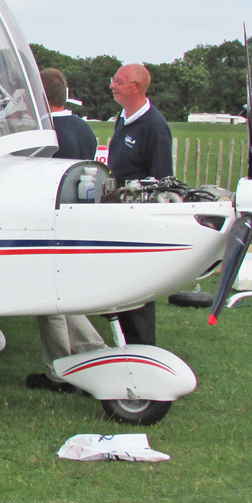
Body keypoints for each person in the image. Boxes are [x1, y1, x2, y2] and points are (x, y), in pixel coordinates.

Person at [27, 68, 107, 393]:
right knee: (61, 299)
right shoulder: (85, 130)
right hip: (79, 220)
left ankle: (69, 366)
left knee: (53, 302)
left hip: (47, 223)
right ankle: (77, 362)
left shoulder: (40, 135)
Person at [107, 63, 173, 346]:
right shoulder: (122, 119)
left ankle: (142, 346)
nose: (113, 85)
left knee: (136, 288)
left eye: (119, 82)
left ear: (136, 87)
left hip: (137, 221)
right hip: (116, 215)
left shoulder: (156, 128)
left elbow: (161, 181)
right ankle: (122, 341)